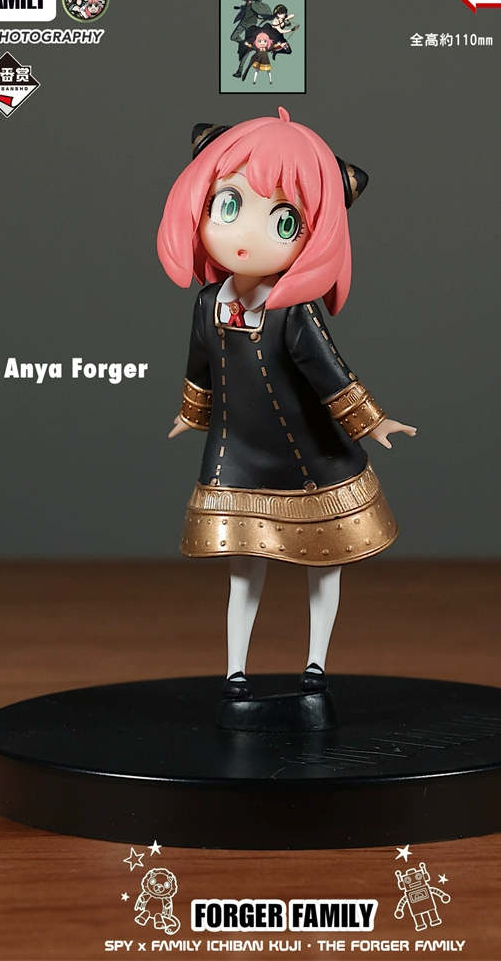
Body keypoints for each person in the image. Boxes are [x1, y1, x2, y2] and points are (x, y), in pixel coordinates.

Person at [157, 109, 416, 701]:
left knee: (324, 563)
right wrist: (192, 412)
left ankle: (316, 663)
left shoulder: (295, 312)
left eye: (283, 220)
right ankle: (235, 671)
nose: (245, 234)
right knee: (243, 567)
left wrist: (372, 421)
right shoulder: (208, 304)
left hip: (309, 456)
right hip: (238, 453)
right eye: (228, 205)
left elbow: (329, 372)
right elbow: (201, 365)